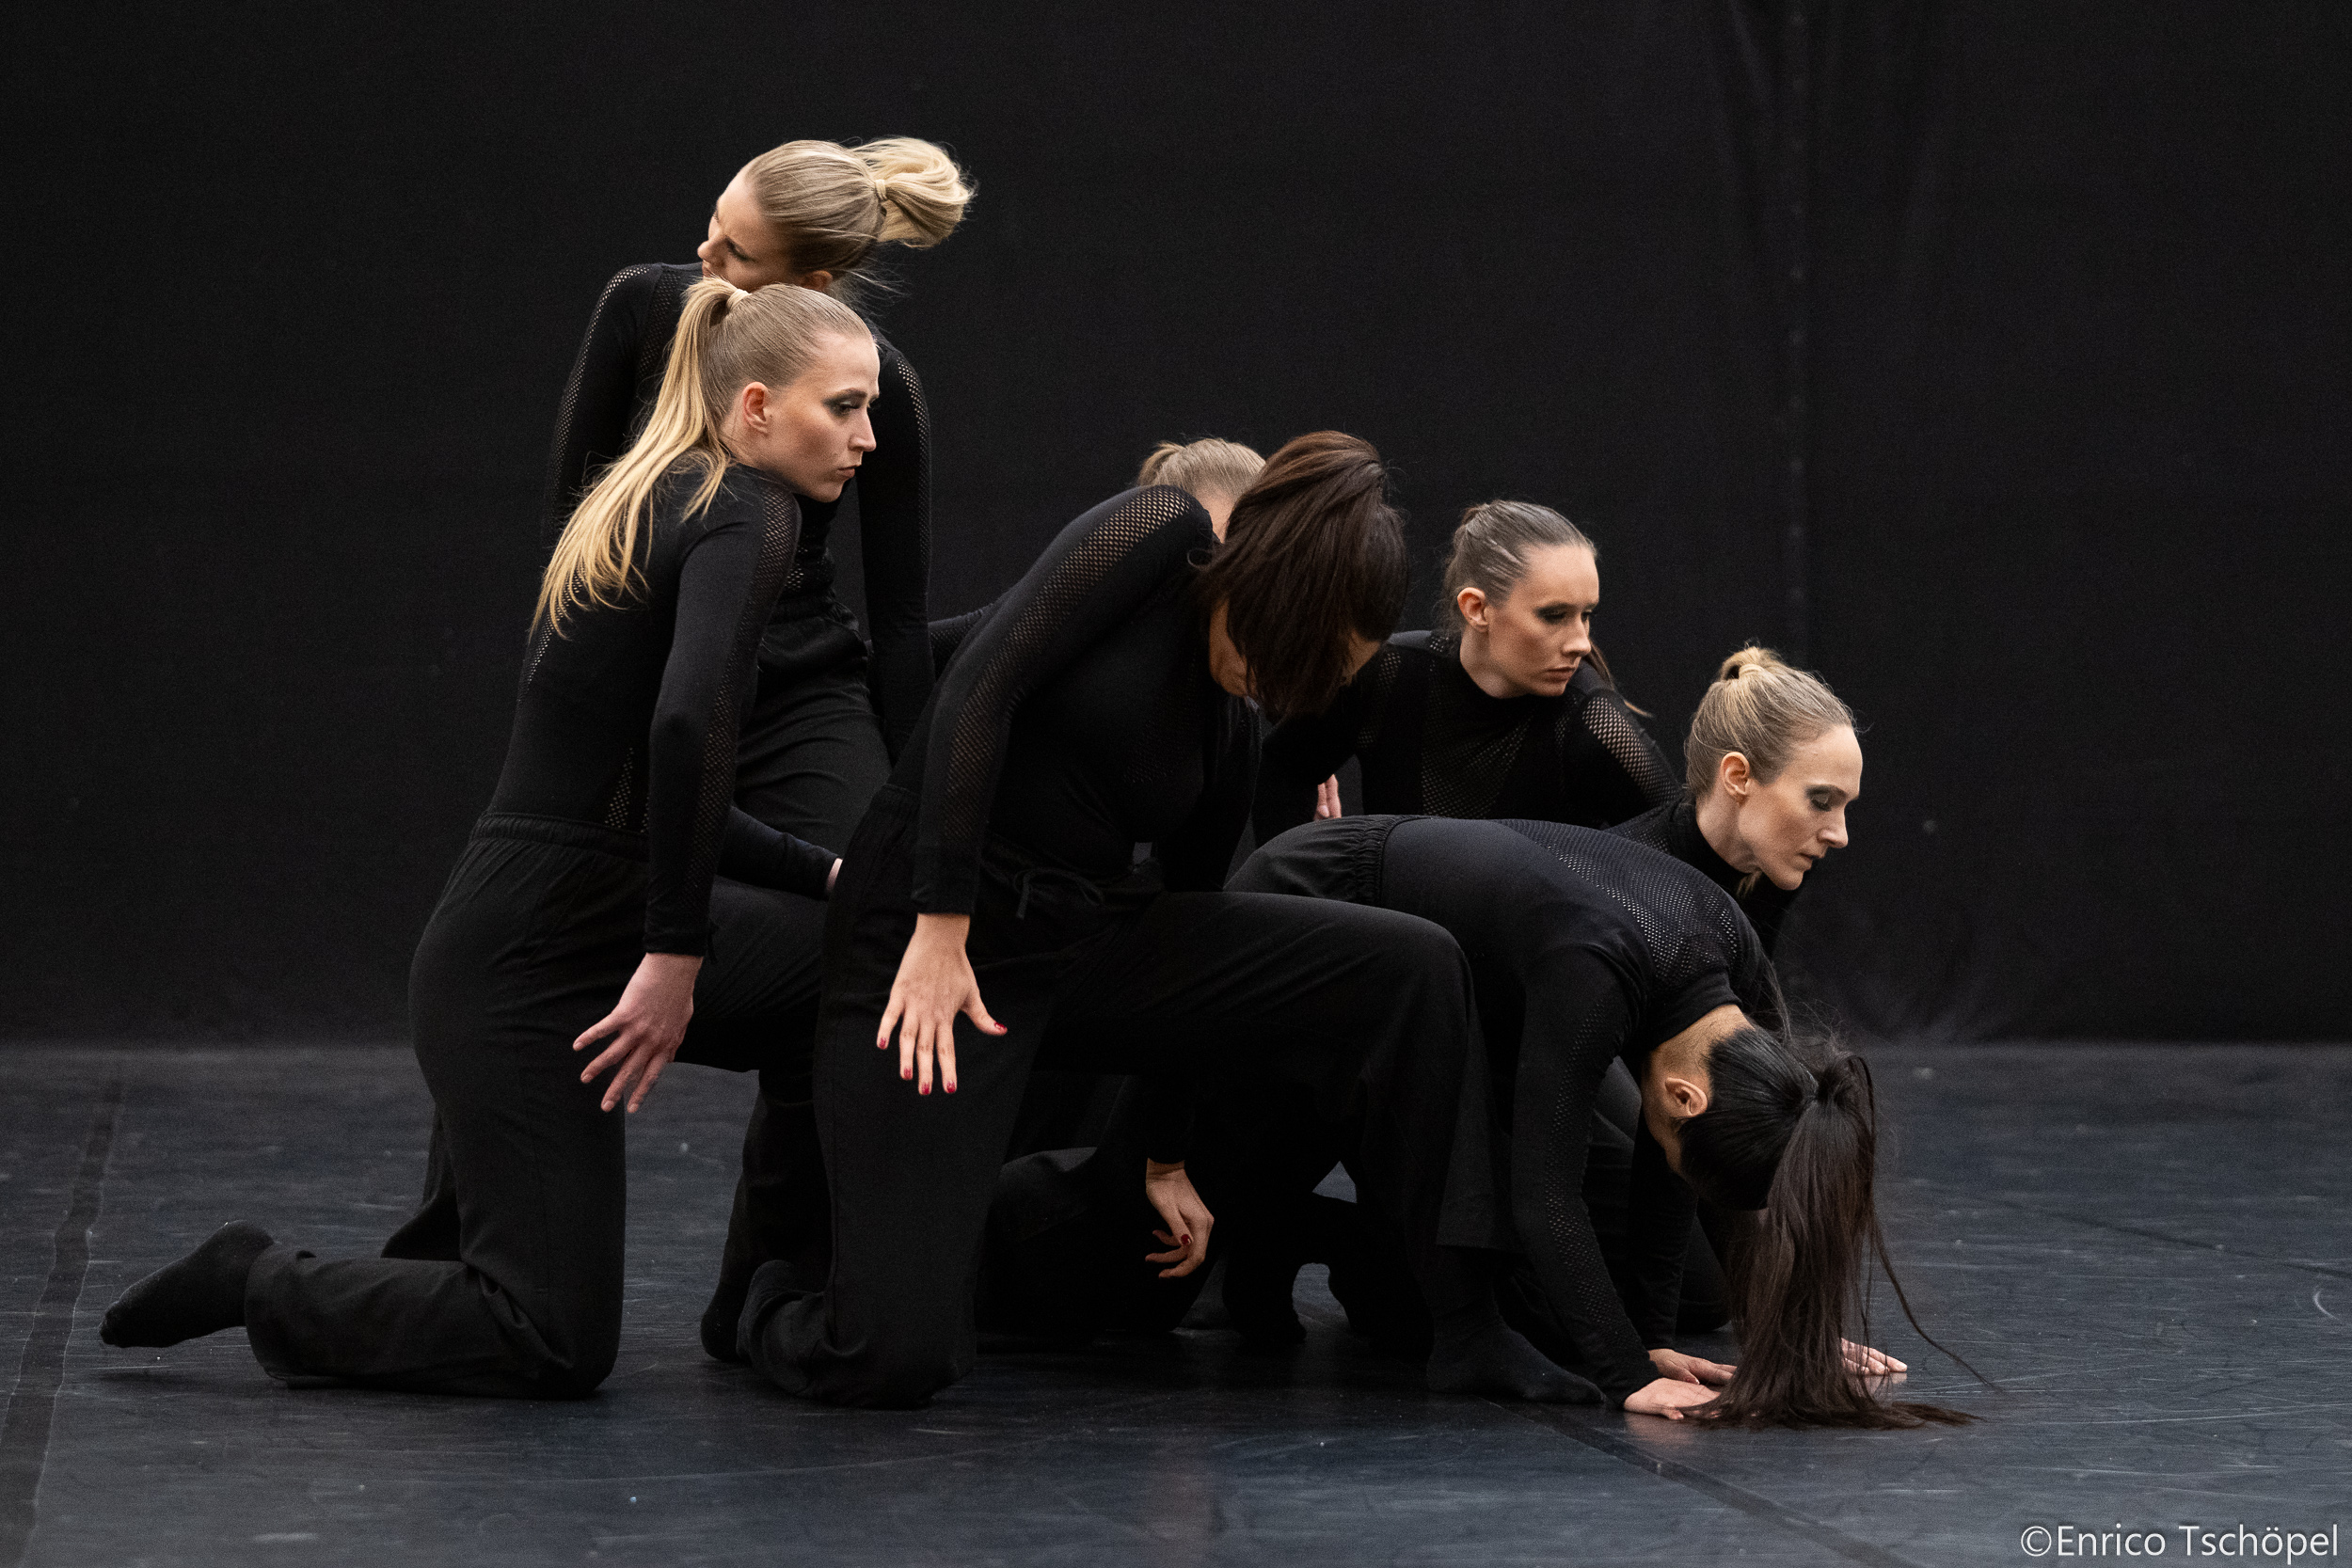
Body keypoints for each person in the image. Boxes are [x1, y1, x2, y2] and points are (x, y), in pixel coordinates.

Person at [99, 280, 877, 1398]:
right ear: (755, 406)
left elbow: (646, 788)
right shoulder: (748, 509)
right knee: (549, 1335)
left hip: (574, 916)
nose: (867, 436)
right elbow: (688, 728)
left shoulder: (654, 491)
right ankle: (258, 1276)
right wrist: (675, 954)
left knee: (844, 959)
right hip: (527, 959)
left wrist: (824, 870)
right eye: (844, 406)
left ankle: (768, 1282)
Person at [739, 434, 1565, 1409]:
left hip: (1083, 938)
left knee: (1412, 963)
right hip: (934, 940)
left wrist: (1164, 1154)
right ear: (1270, 593)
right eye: (1296, 663)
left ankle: (1467, 1324)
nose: (1286, 696)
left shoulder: (1228, 731)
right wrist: (938, 919)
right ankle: (766, 1297)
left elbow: (1192, 931)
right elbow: (978, 691)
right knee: (892, 1354)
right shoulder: (1155, 536)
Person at [1230, 814, 1968, 1428]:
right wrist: (1626, 1374)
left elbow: (1723, 1169)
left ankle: (1299, 1234)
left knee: (1653, 1293)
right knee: (1525, 1280)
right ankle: (1297, 1230)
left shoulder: (1734, 975)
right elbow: (1545, 1194)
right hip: (1310, 906)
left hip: (1453, 995)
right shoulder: (1595, 972)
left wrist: (1736, 1332)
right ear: (1684, 1097)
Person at [544, 135, 973, 844]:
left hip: (795, 686)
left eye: (738, 253)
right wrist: (568, 690)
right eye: (716, 222)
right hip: (645, 657)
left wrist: (911, 812)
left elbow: (899, 620)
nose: (705, 253)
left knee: (860, 884)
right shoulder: (644, 305)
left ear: (812, 283)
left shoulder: (876, 383)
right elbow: (569, 526)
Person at [1252, 500, 1677, 840]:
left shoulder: (1593, 720)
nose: (1581, 643)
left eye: (1586, 615)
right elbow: (1283, 768)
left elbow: (1679, 841)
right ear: (1476, 608)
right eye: (1554, 616)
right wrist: (1296, 889)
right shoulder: (1389, 673)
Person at [1610, 645, 1861, 954]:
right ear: (1738, 777)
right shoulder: (1623, 885)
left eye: (1845, 806)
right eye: (1821, 800)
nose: (1840, 836)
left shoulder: (1779, 863)